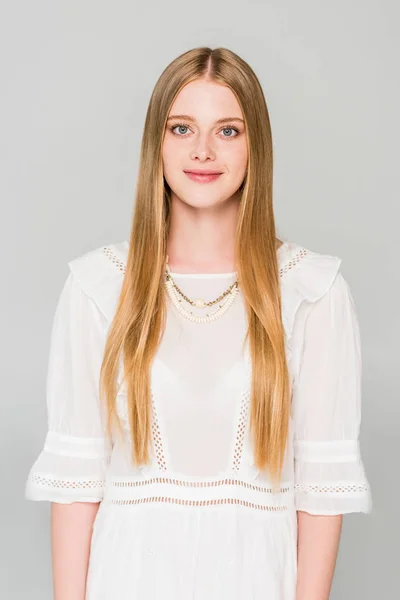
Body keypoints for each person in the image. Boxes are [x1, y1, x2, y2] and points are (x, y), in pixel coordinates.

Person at [24, 46, 372, 600]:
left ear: (255, 143)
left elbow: (322, 492)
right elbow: (76, 483)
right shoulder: (97, 287)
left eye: (228, 131)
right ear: (155, 145)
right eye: (182, 128)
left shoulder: (313, 293)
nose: (204, 150)